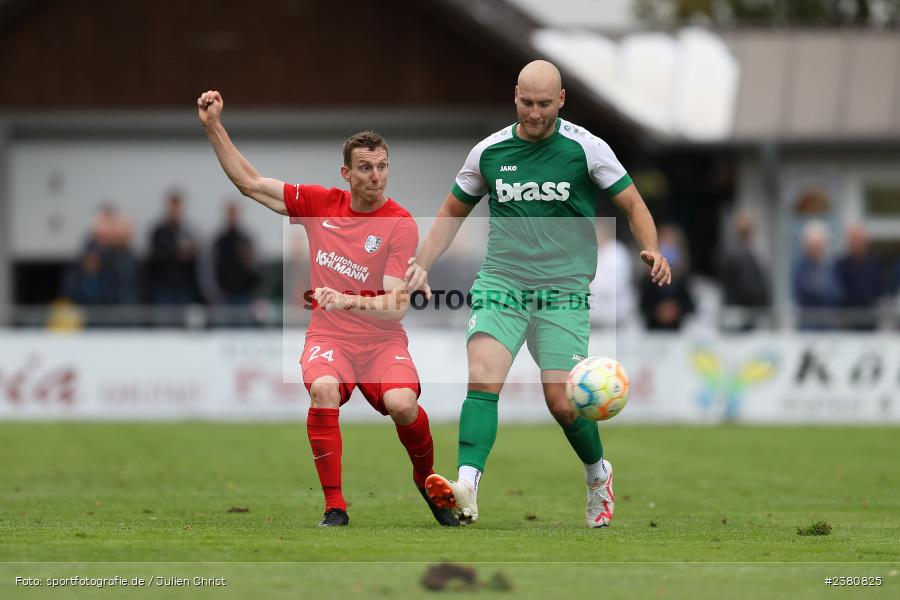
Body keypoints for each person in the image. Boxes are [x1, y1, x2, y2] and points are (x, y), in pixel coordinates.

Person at [404, 61, 671, 528]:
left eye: (544, 104)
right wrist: (422, 262)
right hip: (501, 282)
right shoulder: (488, 152)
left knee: (563, 403)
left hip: (563, 288)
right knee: (483, 381)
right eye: (526, 102)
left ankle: (597, 475)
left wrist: (650, 247)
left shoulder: (587, 149)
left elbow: (632, 203)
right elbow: (451, 211)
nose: (534, 113)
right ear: (515, 97)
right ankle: (467, 487)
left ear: (561, 100)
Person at [198, 90, 457, 528]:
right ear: (347, 173)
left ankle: (425, 479)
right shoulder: (321, 205)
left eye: (382, 166)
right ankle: (335, 507)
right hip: (329, 338)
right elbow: (251, 184)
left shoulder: (399, 224)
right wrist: (213, 127)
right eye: (366, 168)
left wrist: (347, 299)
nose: (377, 176)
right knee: (322, 389)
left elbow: (395, 307)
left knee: (402, 405)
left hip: (380, 342)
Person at [718, 212, 770, 330]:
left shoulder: (747, 253)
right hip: (742, 314)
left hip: (745, 314)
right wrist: (763, 304)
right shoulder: (738, 255)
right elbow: (748, 287)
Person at [212, 202, 261, 325]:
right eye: (230, 213)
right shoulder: (219, 240)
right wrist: (213, 292)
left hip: (244, 295)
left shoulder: (246, 239)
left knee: (244, 333)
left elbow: (255, 267)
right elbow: (211, 266)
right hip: (224, 295)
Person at [639, 224, 695, 330]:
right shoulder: (648, 279)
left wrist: (676, 310)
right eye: (664, 245)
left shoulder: (683, 280)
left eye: (671, 245)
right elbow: (643, 306)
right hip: (651, 332)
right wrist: (658, 311)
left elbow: (690, 306)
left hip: (679, 332)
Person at [834, 223, 884, 330]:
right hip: (848, 321)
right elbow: (839, 292)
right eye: (854, 241)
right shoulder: (841, 265)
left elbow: (879, 289)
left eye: (859, 240)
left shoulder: (874, 264)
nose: (857, 244)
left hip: (870, 319)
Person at [793, 220, 841, 330]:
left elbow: (838, 293)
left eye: (819, 244)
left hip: (829, 325)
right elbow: (802, 293)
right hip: (808, 325)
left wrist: (820, 293)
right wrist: (824, 294)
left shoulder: (830, 266)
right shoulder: (800, 267)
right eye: (813, 245)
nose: (816, 249)